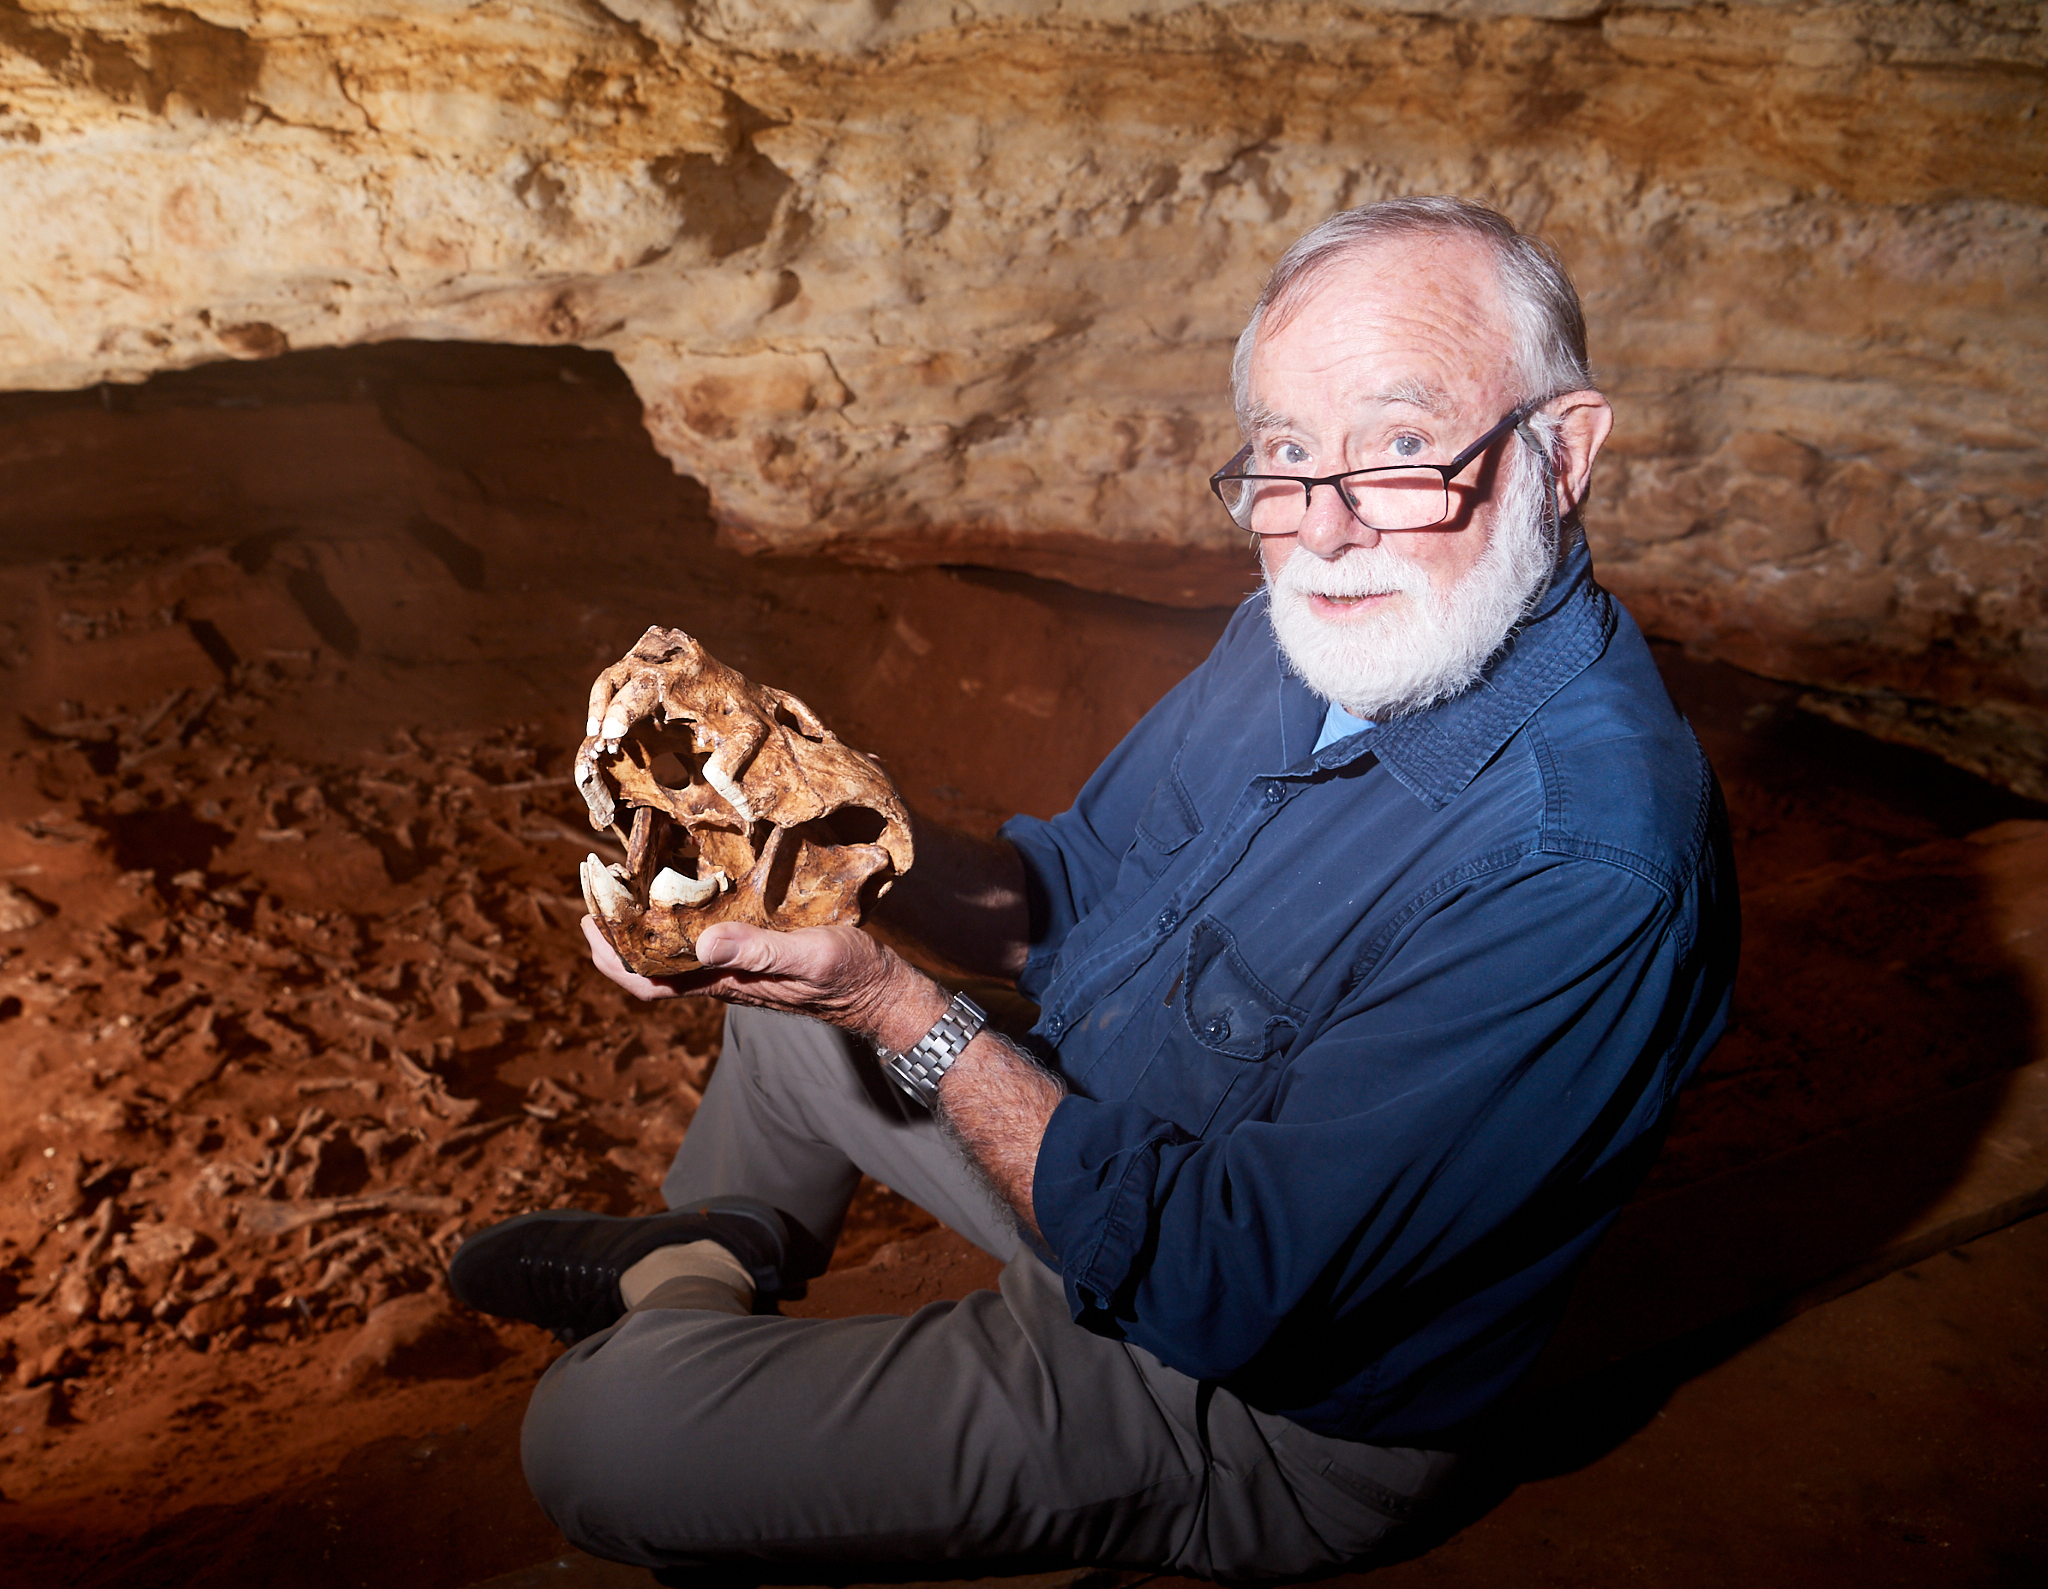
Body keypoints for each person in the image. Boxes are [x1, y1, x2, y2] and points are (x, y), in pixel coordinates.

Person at [445, 195, 1738, 1581]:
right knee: (784, 986)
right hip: (1118, 1141)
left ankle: (672, 1296)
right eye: (1287, 455)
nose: (1321, 529)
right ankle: (705, 1254)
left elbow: (1221, 1285)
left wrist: (902, 1013)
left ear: (1562, 450)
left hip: (1256, 1409)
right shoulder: (1299, 640)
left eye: (1404, 448)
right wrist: (832, 837)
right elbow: (1063, 891)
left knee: (600, 1436)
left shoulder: (1581, 860)